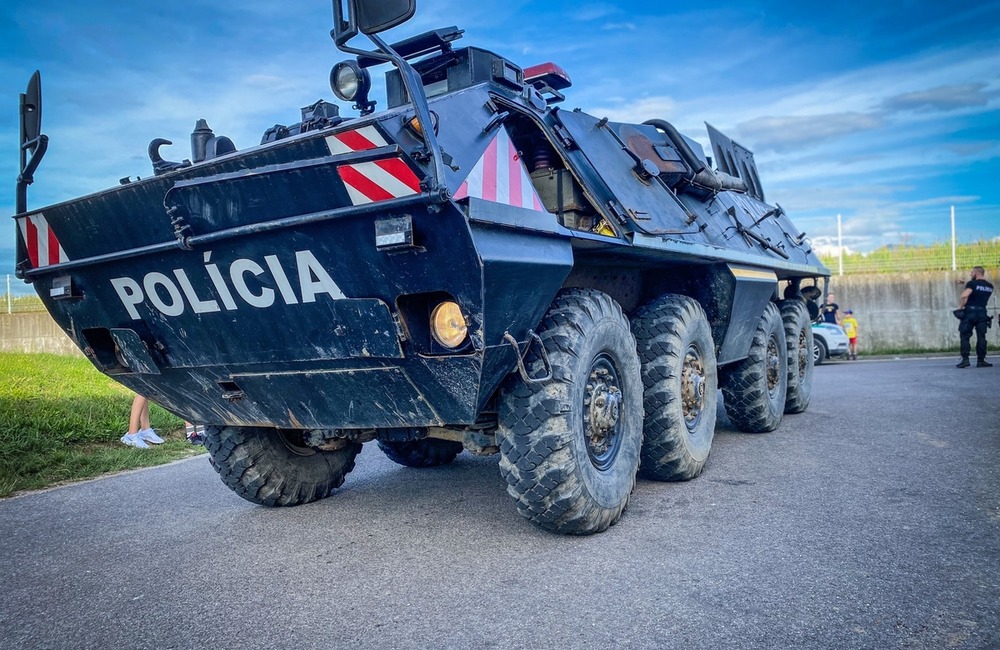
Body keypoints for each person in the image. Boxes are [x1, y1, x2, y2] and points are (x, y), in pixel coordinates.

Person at [956, 266, 995, 368]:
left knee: (965, 335)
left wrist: (960, 307)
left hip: (970, 312)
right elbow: (979, 290)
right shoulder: (990, 286)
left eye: (972, 272)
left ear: (977, 273)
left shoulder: (971, 284)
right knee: (981, 337)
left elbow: (965, 295)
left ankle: (965, 360)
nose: (970, 274)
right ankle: (981, 360)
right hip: (982, 312)